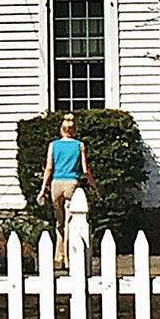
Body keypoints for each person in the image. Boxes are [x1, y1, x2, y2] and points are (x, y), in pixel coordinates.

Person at [38, 112, 96, 268]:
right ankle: (70, 257)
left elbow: (49, 168)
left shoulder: (53, 145)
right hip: (72, 183)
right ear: (74, 130)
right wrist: (93, 185)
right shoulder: (79, 145)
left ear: (61, 129)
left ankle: (59, 256)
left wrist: (43, 188)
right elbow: (85, 170)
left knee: (59, 222)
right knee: (71, 222)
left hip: (56, 183)